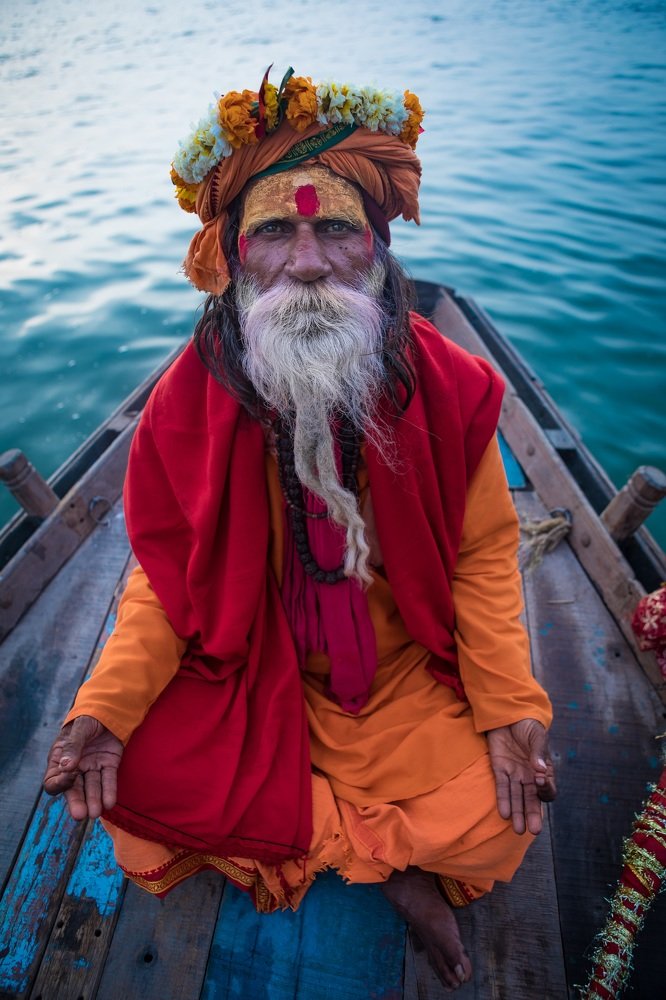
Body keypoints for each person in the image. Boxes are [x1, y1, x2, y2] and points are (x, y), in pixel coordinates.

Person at [43, 70, 556, 992]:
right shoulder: (182, 406)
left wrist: (512, 707)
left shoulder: (448, 387)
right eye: (277, 230)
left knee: (498, 810)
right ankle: (386, 863)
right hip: (246, 665)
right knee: (130, 783)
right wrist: (106, 707)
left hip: (398, 679)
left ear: (377, 248)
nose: (309, 262)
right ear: (234, 256)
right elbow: (165, 580)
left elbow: (483, 558)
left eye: (335, 230)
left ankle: (311, 831)